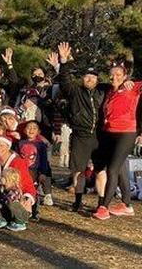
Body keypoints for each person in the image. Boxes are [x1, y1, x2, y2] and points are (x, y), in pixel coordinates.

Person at [50, 42, 109, 212]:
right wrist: (64, 61)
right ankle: (78, 201)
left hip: (99, 136)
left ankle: (101, 203)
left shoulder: (103, 91)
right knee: (78, 170)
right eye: (86, 76)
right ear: (82, 78)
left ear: (98, 79)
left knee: (100, 170)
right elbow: (64, 80)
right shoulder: (75, 91)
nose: (89, 79)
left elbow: (119, 83)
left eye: (93, 77)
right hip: (80, 135)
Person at [93, 62, 142, 220]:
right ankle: (126, 205)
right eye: (112, 75)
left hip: (126, 132)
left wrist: (133, 81)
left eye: (119, 75)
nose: (115, 77)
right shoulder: (108, 91)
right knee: (119, 169)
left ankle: (103, 207)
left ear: (125, 76)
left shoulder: (132, 87)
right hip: (109, 133)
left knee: (112, 170)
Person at [0, 136, 37, 230]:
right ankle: (0, 218)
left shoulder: (18, 162)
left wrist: (28, 198)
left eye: (2, 145)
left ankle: (18, 220)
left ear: (8, 147)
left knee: (13, 202)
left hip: (14, 195)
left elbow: (27, 182)